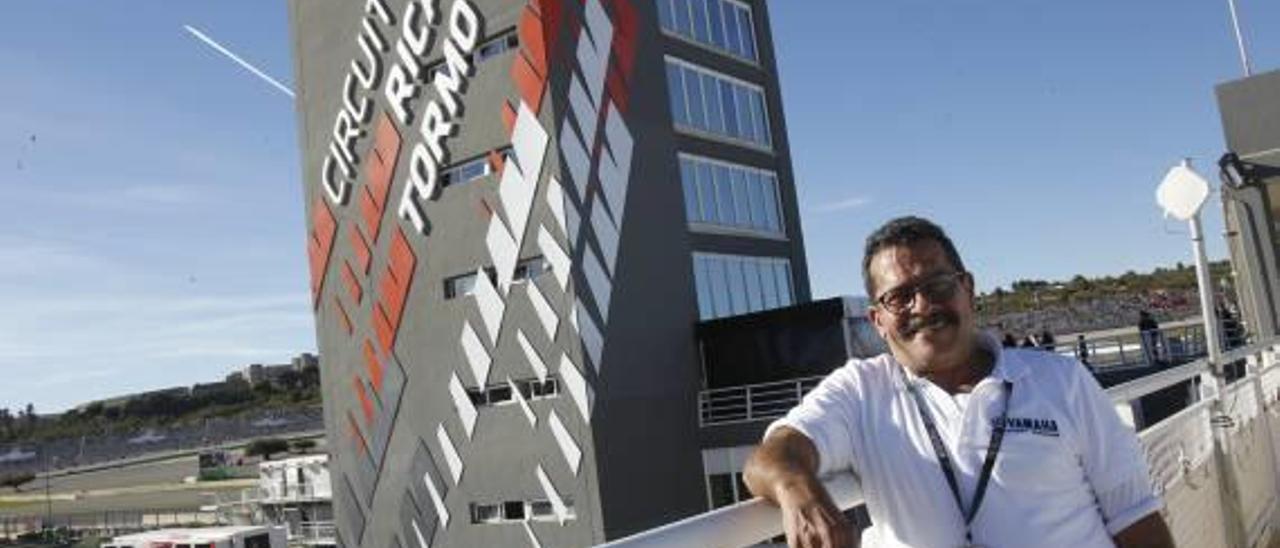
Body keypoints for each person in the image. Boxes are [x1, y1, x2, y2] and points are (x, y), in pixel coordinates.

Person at [744, 216, 1172, 548]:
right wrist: (796, 488)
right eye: (899, 297)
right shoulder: (861, 391)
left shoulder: (1061, 381)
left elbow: (1135, 519)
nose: (923, 306)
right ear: (877, 320)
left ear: (967, 289)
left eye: (938, 284)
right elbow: (773, 455)